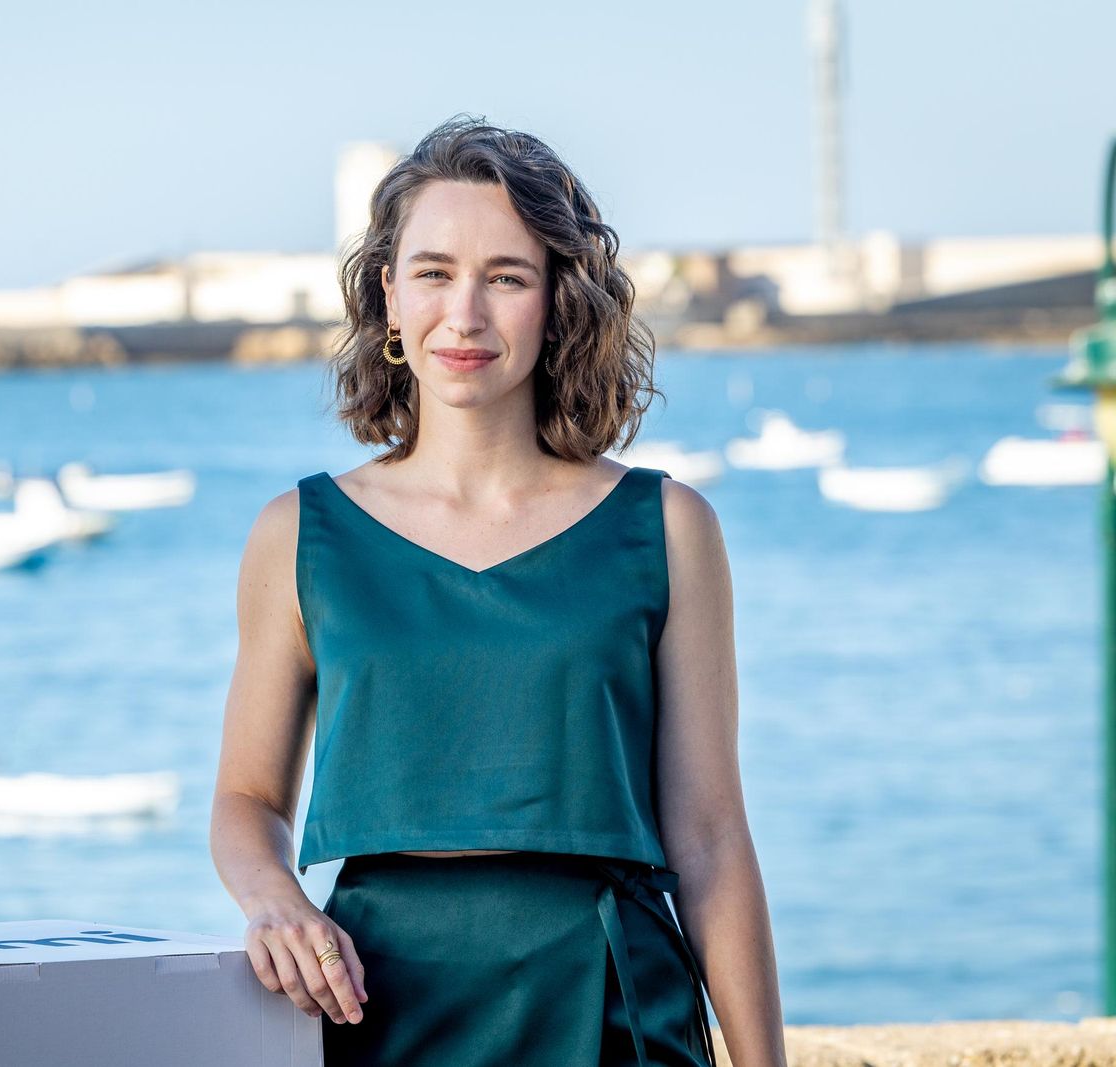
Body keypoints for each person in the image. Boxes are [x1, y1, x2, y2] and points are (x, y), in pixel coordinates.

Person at [209, 114, 786, 1066]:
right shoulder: (298, 534)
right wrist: (273, 895)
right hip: (374, 1009)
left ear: (560, 300)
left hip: (611, 1010)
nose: (465, 314)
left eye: (507, 277)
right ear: (389, 296)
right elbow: (244, 796)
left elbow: (713, 836)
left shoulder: (670, 528)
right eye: (434, 272)